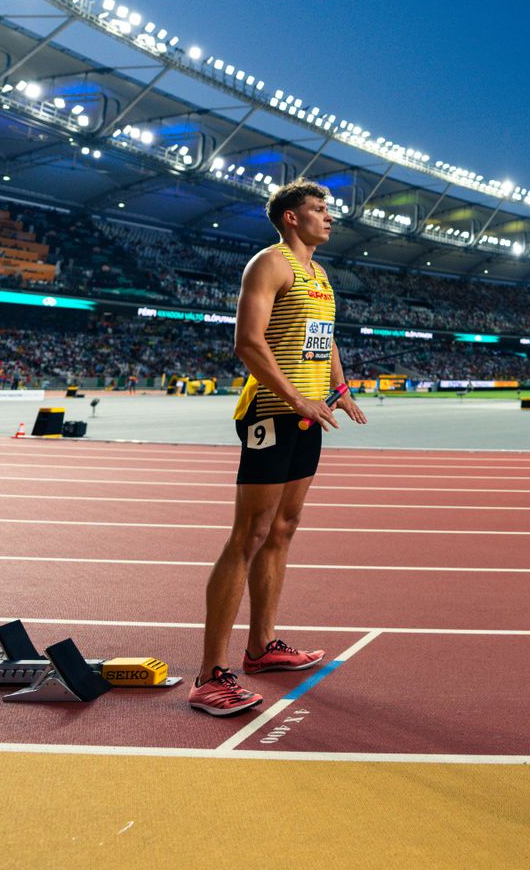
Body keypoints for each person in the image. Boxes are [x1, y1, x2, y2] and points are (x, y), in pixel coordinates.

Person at [190, 180, 368, 716]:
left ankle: (262, 648)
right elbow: (248, 342)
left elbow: (325, 335)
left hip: (310, 414)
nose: (328, 217)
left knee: (284, 530)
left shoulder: (320, 274)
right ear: (291, 218)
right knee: (249, 534)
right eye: (318, 209)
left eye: (327, 209)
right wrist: (295, 398)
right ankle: (208, 676)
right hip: (273, 412)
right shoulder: (269, 264)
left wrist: (338, 389)